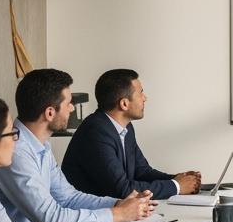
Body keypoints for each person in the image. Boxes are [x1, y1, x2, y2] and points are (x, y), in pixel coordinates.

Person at [0, 67, 155, 222]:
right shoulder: (16, 152)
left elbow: (68, 198)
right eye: (69, 103)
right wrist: (118, 214)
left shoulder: (41, 145)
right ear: (49, 113)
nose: (72, 108)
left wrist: (119, 204)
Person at [61, 68, 201, 201]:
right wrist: (177, 186)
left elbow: (141, 172)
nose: (145, 98)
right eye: (141, 93)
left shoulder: (125, 127)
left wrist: (178, 179)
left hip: (115, 211)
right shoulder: (96, 131)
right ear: (124, 103)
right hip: (90, 214)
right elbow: (122, 190)